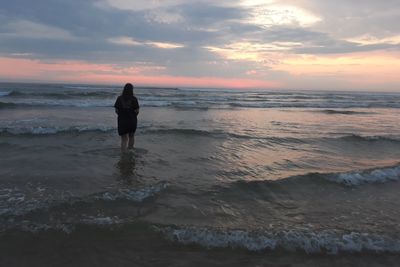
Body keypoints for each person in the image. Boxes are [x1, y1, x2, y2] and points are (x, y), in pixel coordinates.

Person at [114, 83, 139, 151]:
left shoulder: (119, 98)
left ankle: (124, 153)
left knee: (124, 139)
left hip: (122, 121)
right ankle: (130, 151)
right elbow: (137, 111)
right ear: (132, 90)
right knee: (131, 136)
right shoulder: (134, 99)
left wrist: (122, 115)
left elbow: (116, 111)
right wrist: (132, 115)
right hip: (132, 121)